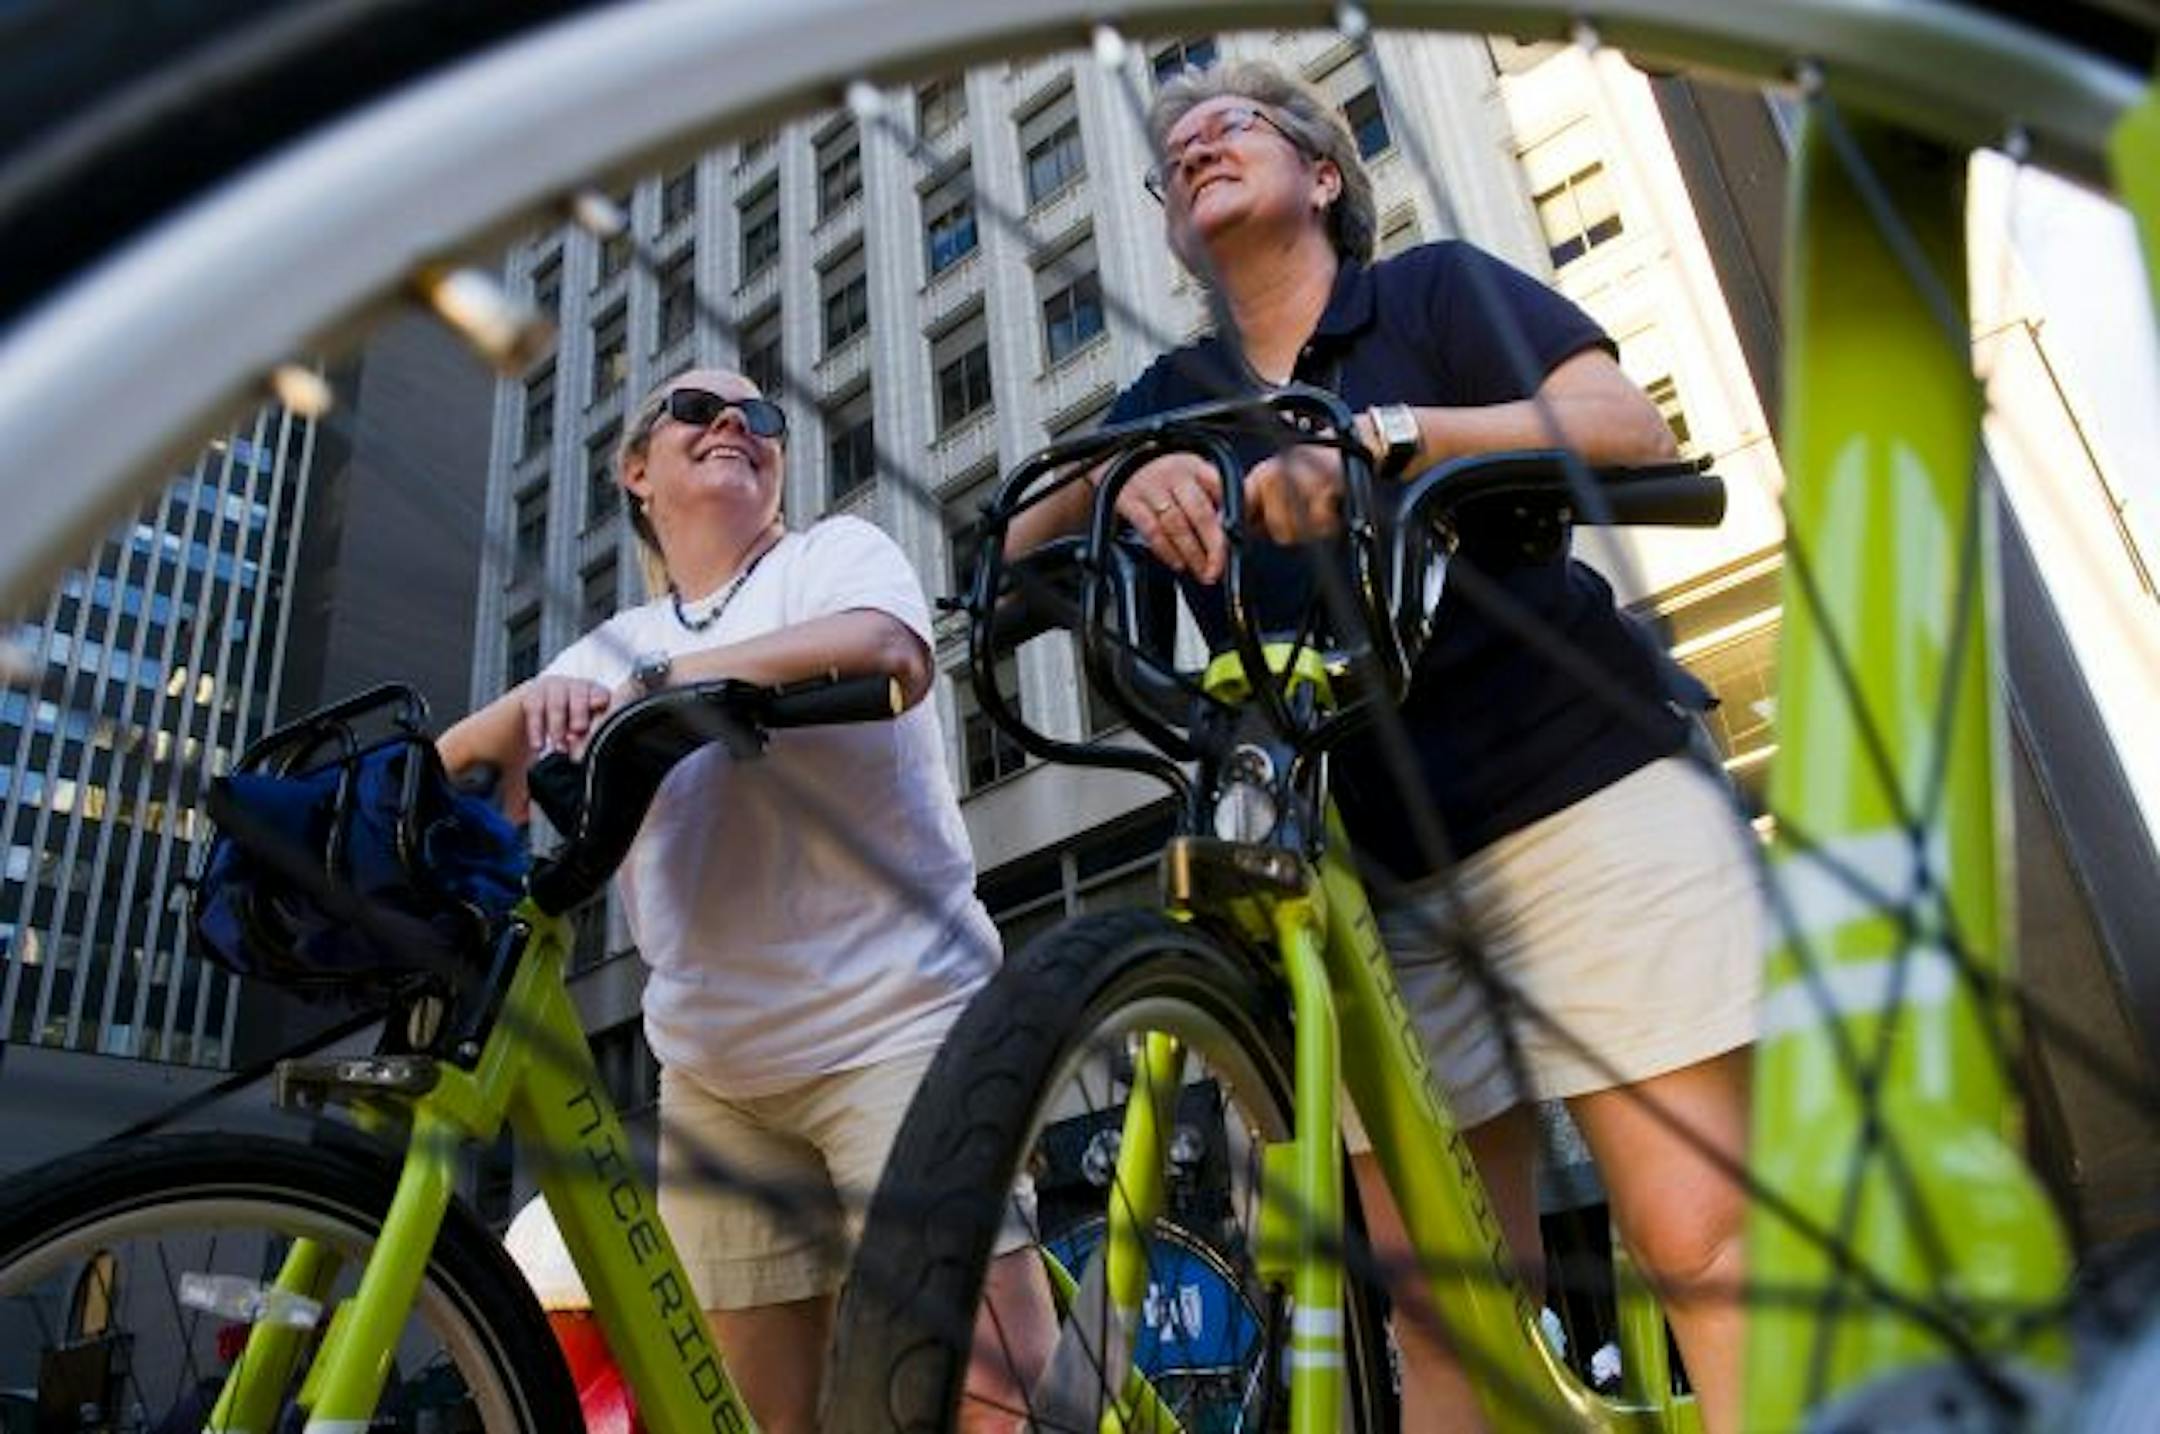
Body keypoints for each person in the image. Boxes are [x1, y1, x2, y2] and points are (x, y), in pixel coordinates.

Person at [1011, 62, 1759, 1434]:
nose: (1197, 148)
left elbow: (1624, 426)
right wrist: (1124, 473)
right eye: (1175, 155)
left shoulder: (1432, 294)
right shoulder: (1173, 392)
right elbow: (1016, 540)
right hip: (1365, 876)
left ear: (1324, 173)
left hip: (1574, 785)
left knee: (1700, 1239)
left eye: (1231, 126)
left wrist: (1386, 443)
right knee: (1448, 1319)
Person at [439, 368, 1053, 1434]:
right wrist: (533, 704)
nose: (733, 422)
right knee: (763, 1418)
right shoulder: (607, 649)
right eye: (696, 410)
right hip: (719, 1079)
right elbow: (455, 771)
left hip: (899, 1029)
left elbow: (888, 651)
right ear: (636, 472)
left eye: (758, 417)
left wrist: (660, 684)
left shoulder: (832, 559)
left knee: (986, 1399)